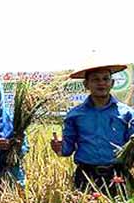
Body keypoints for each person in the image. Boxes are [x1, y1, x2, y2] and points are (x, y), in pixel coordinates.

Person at [51, 62, 134, 192]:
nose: (101, 83)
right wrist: (58, 148)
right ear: (86, 85)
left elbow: (131, 146)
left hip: (118, 175)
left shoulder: (127, 113)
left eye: (105, 79)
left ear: (112, 83)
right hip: (86, 176)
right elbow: (66, 150)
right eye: (95, 79)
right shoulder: (74, 115)